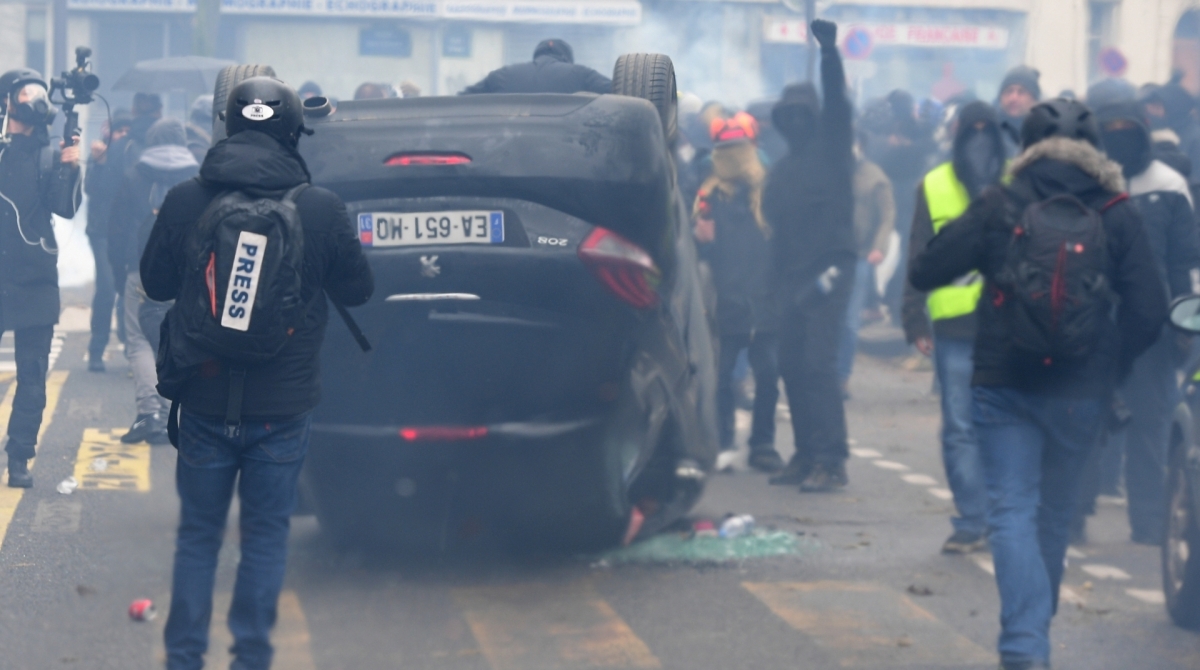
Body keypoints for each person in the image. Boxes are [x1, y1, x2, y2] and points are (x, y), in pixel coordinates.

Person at [909, 98, 1167, 670]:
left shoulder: (1002, 201)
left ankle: (1025, 647)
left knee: (1011, 510)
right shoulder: (1118, 210)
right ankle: (1031, 635)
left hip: (1005, 382)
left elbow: (924, 271)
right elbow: (1151, 308)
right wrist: (1109, 367)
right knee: (1053, 515)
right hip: (1081, 393)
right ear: (1096, 149)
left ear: (1024, 147)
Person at [141, 77, 373, 669]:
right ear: (294, 131)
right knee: (265, 539)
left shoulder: (186, 200)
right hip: (283, 406)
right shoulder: (319, 206)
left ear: (227, 128)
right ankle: (249, 659)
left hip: (204, 400)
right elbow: (359, 291)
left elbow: (158, 284)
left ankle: (185, 659)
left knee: (198, 537)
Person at [1072, 102, 1200, 545]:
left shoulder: (1169, 185)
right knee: (1083, 423)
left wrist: (1186, 322)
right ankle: (1073, 514)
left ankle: (1148, 523)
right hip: (1090, 325)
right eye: (1112, 130)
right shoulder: (1082, 183)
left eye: (1130, 129)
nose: (1121, 137)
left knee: (1151, 427)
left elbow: (1186, 262)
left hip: (1151, 329)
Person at [902, 101, 1006, 555]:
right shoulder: (934, 184)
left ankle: (1005, 515)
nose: (979, 140)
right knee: (961, 426)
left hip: (1008, 325)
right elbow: (918, 251)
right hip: (955, 328)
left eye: (988, 131)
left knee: (1002, 424)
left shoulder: (1019, 182)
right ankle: (972, 520)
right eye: (972, 131)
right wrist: (912, 315)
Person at [762, 19, 855, 492]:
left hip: (832, 269)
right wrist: (771, 290)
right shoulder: (779, 170)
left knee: (819, 364)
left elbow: (838, 105)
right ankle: (804, 452)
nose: (797, 121)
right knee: (791, 365)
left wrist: (829, 55)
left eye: (805, 114)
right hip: (791, 277)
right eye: (789, 115)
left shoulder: (834, 150)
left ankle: (831, 459)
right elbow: (775, 235)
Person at [0, 69, 82, 488]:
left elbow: (65, 208)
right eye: (24, 93)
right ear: (8, 101)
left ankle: (19, 457)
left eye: (38, 93)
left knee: (32, 378)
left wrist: (71, 167)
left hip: (35, 282)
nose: (34, 100)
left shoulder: (49, 155)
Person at [693, 111, 783, 473]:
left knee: (768, 373)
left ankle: (763, 445)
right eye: (724, 148)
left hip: (765, 298)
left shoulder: (772, 192)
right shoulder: (707, 195)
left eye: (737, 147)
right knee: (723, 377)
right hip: (724, 298)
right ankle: (723, 442)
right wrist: (702, 241)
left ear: (754, 146)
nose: (730, 155)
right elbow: (692, 250)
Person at [108, 119, 200, 445]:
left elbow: (116, 229)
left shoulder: (134, 175)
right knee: (181, 339)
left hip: (141, 267)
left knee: (140, 340)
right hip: (189, 270)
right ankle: (183, 414)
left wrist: (120, 273)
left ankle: (151, 415)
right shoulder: (199, 176)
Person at [837, 133, 895, 391]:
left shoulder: (875, 177)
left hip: (859, 257)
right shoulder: (828, 171)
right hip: (827, 257)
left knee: (849, 321)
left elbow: (887, 216)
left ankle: (842, 377)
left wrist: (878, 248)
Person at [84, 109, 133, 371]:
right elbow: (91, 190)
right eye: (118, 131)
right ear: (108, 132)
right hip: (102, 231)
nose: (123, 136)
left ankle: (130, 345)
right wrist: (99, 164)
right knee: (106, 287)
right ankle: (96, 348)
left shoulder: (134, 154)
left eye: (127, 131)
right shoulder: (101, 154)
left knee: (129, 289)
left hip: (127, 233)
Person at [460, 39, 611, 95]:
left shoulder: (501, 75)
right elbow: (621, 91)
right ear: (567, 60)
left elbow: (463, 99)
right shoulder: (581, 74)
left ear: (536, 55)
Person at [995, 65, 1040, 156]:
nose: (1013, 98)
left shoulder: (1044, 135)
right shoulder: (990, 131)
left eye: (1021, 92)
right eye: (1009, 91)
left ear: (1034, 100)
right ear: (1000, 97)